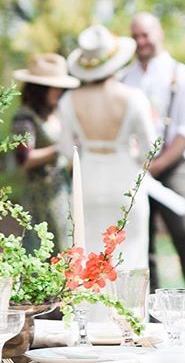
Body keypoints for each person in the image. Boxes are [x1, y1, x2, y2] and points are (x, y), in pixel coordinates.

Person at [122, 12, 185, 327]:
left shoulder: (183, 76)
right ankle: (149, 321)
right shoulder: (125, 80)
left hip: (172, 169)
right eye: (135, 36)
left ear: (159, 33)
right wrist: (137, 168)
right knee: (141, 246)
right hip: (135, 173)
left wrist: (158, 165)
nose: (141, 42)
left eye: (145, 35)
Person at [57, 25, 156, 270]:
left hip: (87, 181)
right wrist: (131, 153)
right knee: (129, 259)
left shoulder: (68, 100)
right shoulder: (133, 98)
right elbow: (150, 149)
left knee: (86, 254)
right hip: (125, 181)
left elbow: (65, 149)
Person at [11, 53, 79, 254]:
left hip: (61, 190)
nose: (59, 92)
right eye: (55, 87)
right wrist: (60, 148)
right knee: (43, 249)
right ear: (40, 89)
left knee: (67, 246)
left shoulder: (55, 113)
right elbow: (25, 159)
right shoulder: (24, 117)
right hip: (40, 196)